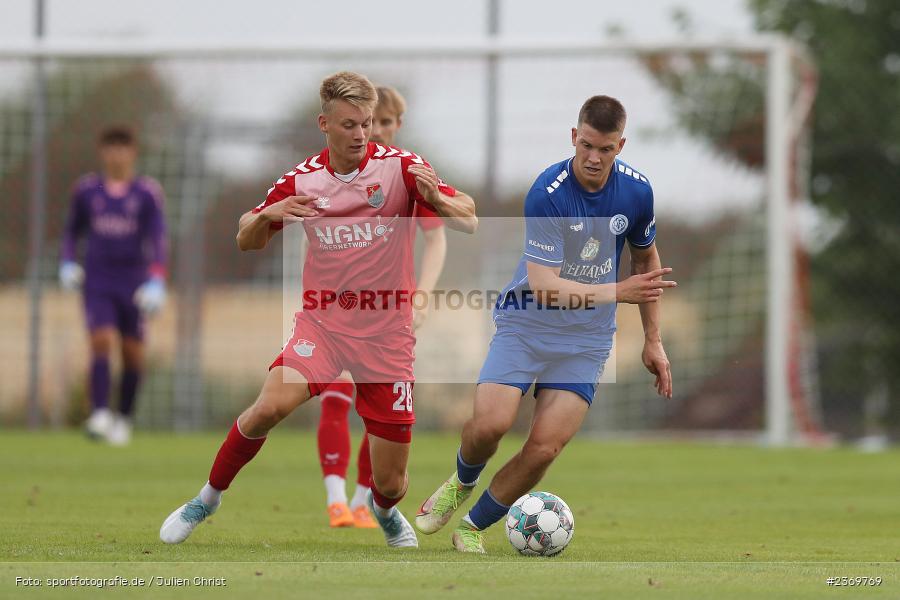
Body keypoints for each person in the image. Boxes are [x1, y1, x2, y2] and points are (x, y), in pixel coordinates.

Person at [159, 71, 477, 548]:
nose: (361, 134)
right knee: (268, 407)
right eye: (349, 124)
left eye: (367, 124)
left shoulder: (402, 168)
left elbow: (470, 216)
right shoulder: (302, 179)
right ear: (324, 123)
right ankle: (205, 499)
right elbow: (245, 237)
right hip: (323, 326)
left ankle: (384, 512)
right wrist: (265, 216)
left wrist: (437, 200)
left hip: (388, 335)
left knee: (392, 483)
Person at [414, 95, 676, 553]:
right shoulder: (547, 193)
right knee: (490, 426)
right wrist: (619, 292)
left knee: (544, 448)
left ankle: (473, 528)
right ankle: (460, 481)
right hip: (528, 325)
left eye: (607, 149)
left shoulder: (637, 192)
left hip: (588, 341)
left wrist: (653, 339)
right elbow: (545, 287)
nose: (594, 158)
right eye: (588, 146)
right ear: (575, 137)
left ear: (621, 146)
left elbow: (645, 257)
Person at [317, 85, 463, 530]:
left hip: (388, 314)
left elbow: (437, 237)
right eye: (367, 122)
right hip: (335, 311)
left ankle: (365, 500)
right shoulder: (337, 171)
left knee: (378, 412)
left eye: (383, 123)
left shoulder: (404, 175)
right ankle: (336, 500)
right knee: (336, 399)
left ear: (396, 126)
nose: (373, 130)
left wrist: (423, 294)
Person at [60, 125, 168, 446]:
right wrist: (67, 262)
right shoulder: (87, 191)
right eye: (111, 148)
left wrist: (157, 279)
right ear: (102, 152)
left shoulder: (146, 193)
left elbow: (158, 237)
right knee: (101, 339)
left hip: (133, 282)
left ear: (133, 152)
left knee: (133, 353)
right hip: (98, 280)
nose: (117, 154)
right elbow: (71, 232)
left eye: (123, 148)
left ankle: (123, 417)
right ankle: (100, 413)